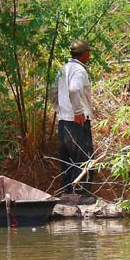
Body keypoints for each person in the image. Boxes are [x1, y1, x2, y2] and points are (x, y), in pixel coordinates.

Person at [56, 39, 94, 198]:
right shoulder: (79, 70)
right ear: (85, 55)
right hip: (77, 122)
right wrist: (78, 112)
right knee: (83, 160)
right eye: (89, 53)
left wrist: (60, 110)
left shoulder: (62, 69)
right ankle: (80, 196)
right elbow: (73, 89)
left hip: (63, 122)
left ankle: (67, 194)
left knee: (67, 161)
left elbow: (52, 92)